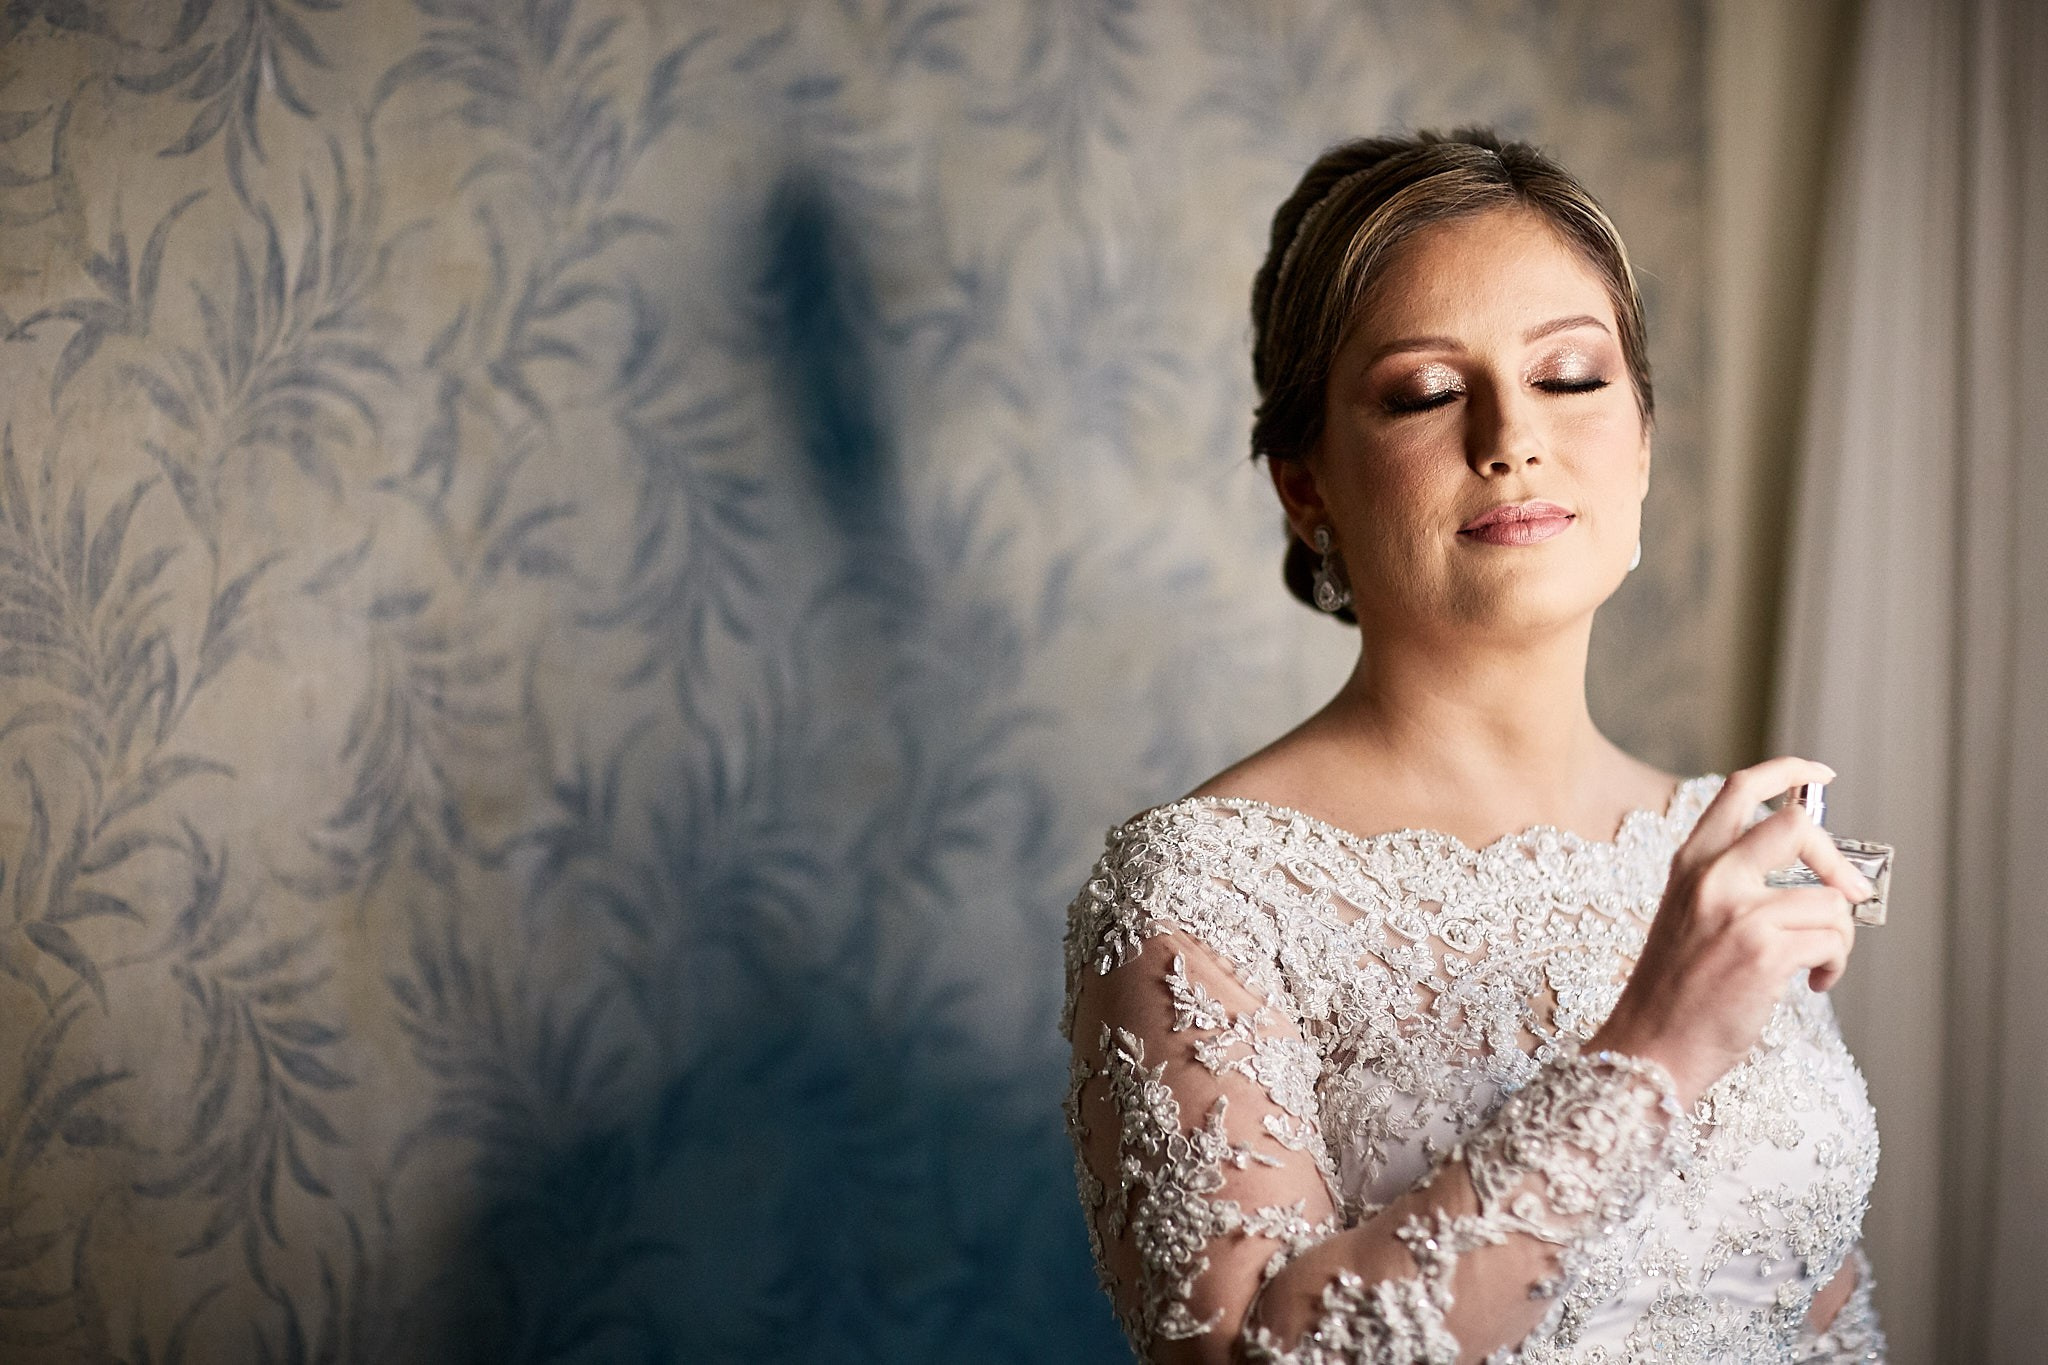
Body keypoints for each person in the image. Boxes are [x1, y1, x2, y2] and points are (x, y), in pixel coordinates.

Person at [1060, 130, 1886, 1364]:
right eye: (1424, 393)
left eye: (1569, 376)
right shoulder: (1201, 894)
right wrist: (1651, 1052)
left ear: (1642, 442)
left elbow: (1823, 1312)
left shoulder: (1725, 852)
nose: (1510, 435)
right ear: (1306, 488)